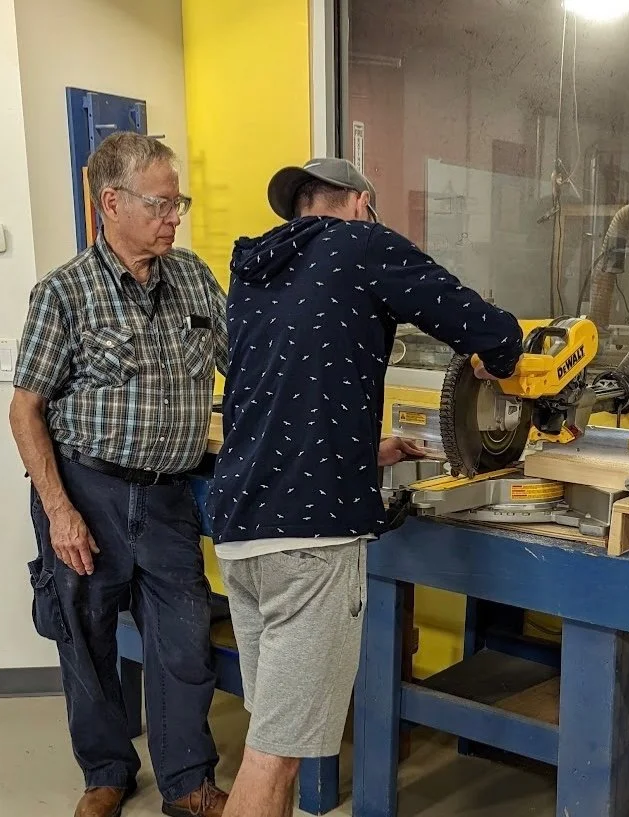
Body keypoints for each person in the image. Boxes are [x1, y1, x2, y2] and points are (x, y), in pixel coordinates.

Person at [209, 157, 523, 817]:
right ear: (359, 202)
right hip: (308, 542)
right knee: (274, 753)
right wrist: (508, 361)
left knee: (276, 729)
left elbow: (272, 396)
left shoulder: (253, 271)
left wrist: (362, 451)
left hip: (240, 528)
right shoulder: (359, 243)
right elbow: (477, 324)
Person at [10, 132, 229, 817]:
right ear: (113, 202)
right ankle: (106, 770)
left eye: (177, 202)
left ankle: (187, 781)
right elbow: (25, 411)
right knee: (86, 637)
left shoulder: (193, 277)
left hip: (168, 496)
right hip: (86, 491)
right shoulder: (64, 292)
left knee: (183, 640)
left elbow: (246, 370)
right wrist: (58, 508)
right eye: (162, 203)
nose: (174, 216)